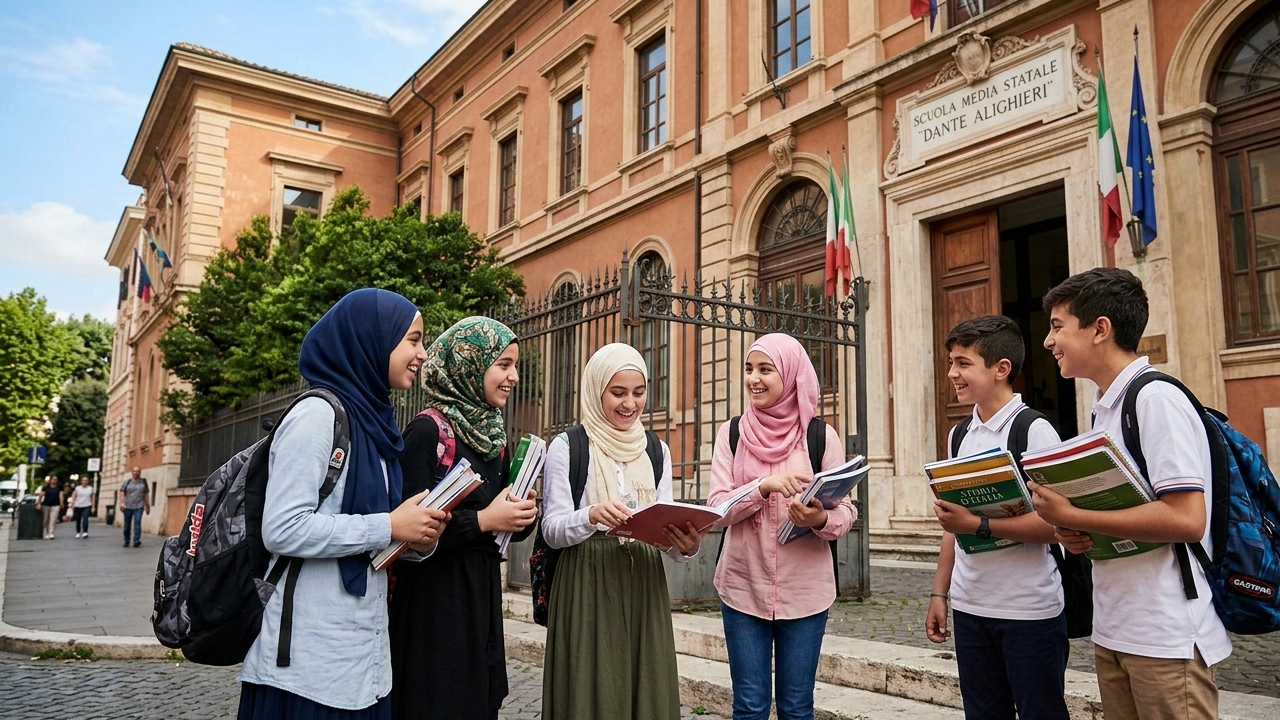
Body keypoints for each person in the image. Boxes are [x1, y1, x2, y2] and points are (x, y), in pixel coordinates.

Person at [237, 288, 448, 720]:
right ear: (371, 338)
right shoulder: (316, 416)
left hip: (363, 660)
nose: (422, 353)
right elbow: (283, 528)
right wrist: (389, 526)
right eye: (412, 339)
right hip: (305, 667)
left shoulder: (375, 425)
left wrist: (418, 532)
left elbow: (373, 531)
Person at [1030, 268, 1231, 720]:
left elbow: (1186, 519)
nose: (1048, 341)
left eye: (1057, 326)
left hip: (1166, 634)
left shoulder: (1155, 399)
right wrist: (1072, 529)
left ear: (1100, 329)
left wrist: (1079, 515)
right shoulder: (1107, 408)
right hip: (1118, 628)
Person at [540, 343, 706, 720]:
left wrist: (687, 545)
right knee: (592, 684)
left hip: (643, 580)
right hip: (587, 580)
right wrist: (591, 515)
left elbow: (665, 531)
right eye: (618, 393)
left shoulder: (655, 449)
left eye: (639, 392)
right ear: (597, 391)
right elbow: (551, 529)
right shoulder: (569, 446)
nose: (630, 403)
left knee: (645, 685)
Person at [388, 317, 537, 720]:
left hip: (480, 599)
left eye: (514, 366)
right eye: (503, 365)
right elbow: (405, 535)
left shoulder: (493, 436)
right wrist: (486, 520)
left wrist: (521, 514)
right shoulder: (427, 432)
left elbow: (501, 530)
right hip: (433, 606)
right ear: (469, 365)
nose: (513, 377)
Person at [924, 315, 1069, 720]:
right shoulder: (959, 435)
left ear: (1001, 369)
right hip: (971, 607)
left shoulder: (1034, 431)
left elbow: (1059, 526)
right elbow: (953, 525)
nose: (952, 373)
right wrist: (940, 593)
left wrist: (980, 525)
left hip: (1028, 611)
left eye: (963, 363)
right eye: (951, 362)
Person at [708, 333, 856, 720]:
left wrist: (819, 518)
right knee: (750, 707)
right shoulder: (733, 433)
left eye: (765, 370)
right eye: (748, 369)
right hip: (743, 586)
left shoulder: (820, 437)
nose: (753, 379)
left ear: (790, 375)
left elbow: (845, 513)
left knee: (796, 707)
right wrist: (762, 487)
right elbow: (715, 510)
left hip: (805, 592)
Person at [118, 467, 149, 547]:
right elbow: (122, 492)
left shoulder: (143, 482)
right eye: (134, 471)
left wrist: (147, 505)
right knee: (127, 525)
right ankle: (126, 540)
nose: (136, 473)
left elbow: (146, 494)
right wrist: (122, 503)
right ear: (132, 472)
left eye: (138, 471)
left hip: (139, 506)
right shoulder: (127, 482)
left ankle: (136, 540)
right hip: (127, 506)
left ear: (140, 472)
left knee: (137, 523)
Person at [37, 476, 62, 540]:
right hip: (46, 505)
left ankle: (51, 533)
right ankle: (47, 532)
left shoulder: (59, 488)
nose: (55, 481)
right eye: (53, 479)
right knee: (46, 520)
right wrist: (39, 503)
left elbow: (61, 495)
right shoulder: (46, 488)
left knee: (53, 519)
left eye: (56, 479)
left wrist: (61, 503)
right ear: (50, 480)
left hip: (55, 505)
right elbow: (41, 495)